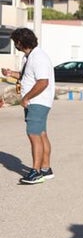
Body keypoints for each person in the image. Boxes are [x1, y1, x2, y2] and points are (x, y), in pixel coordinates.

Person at [2, 27, 56, 184]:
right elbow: (27, 76)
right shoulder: (30, 57)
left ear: (20, 42)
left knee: (33, 135)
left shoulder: (38, 58)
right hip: (37, 102)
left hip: (37, 102)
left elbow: (43, 82)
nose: (15, 46)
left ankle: (36, 172)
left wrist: (26, 98)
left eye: (15, 42)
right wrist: (11, 73)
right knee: (41, 134)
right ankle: (46, 169)